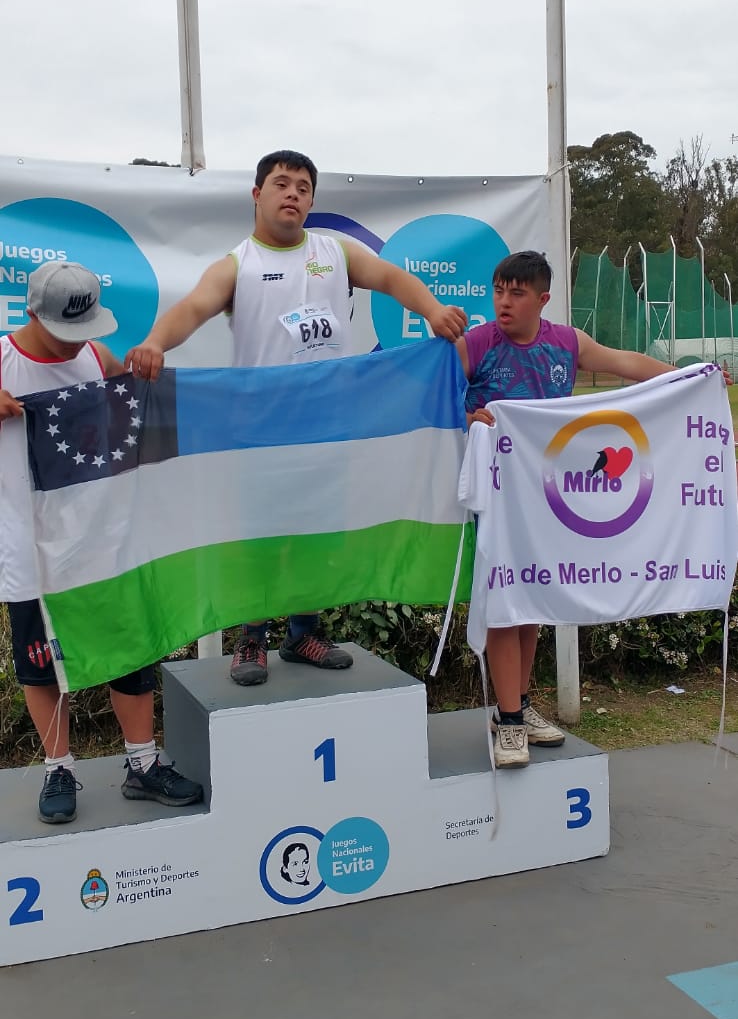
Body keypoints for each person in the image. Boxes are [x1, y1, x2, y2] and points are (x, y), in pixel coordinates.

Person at [125, 149, 468, 686]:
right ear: (257, 194)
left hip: (328, 428)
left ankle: (303, 633)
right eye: (282, 184)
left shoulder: (335, 252)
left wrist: (432, 309)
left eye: (303, 187)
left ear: (311, 200)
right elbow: (192, 309)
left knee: (318, 534)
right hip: (259, 432)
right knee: (261, 537)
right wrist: (154, 343)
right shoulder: (237, 264)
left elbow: (391, 278)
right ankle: (252, 638)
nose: (293, 194)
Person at [0, 261, 204, 824]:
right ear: (30, 312)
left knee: (130, 650)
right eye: (62, 331)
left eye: (83, 328)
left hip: (103, 539)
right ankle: (58, 766)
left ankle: (142, 762)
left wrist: (148, 366)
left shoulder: (95, 356)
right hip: (30, 547)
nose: (74, 343)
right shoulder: (3, 360)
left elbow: (141, 401)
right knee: (41, 663)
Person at [456, 249, 676, 770]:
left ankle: (518, 705)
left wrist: (690, 377)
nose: (504, 303)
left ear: (543, 299)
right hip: (497, 500)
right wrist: (467, 417)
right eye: (498, 291)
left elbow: (626, 363)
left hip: (549, 501)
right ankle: (510, 723)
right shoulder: (477, 344)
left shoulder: (566, 343)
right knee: (505, 604)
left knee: (531, 602)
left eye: (517, 293)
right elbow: (434, 393)